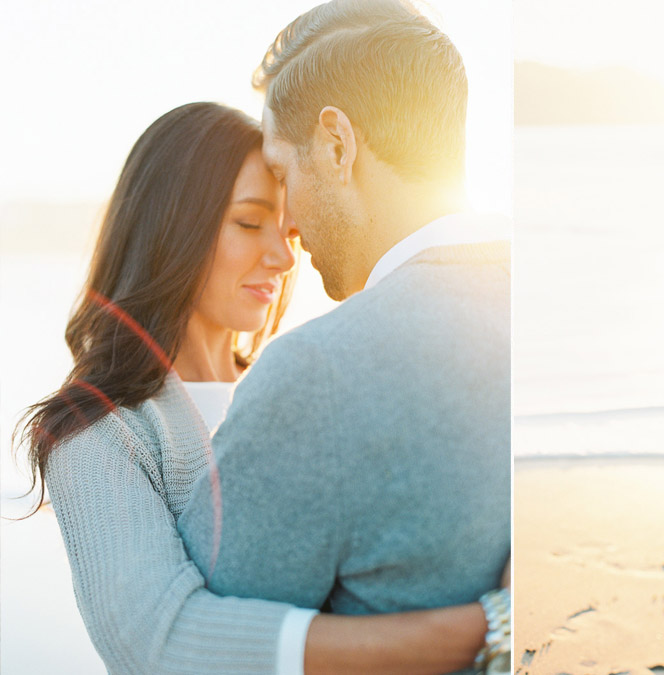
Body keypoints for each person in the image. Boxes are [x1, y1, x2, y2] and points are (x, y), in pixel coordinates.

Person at [17, 101, 497, 674]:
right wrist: (485, 628)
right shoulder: (99, 431)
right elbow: (156, 647)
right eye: (249, 222)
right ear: (172, 226)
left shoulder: (299, 387)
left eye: (288, 228)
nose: (281, 256)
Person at [176, 1, 511, 672]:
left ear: (335, 144)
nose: (287, 224)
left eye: (281, 172)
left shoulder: (316, 372)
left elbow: (188, 652)